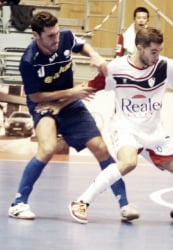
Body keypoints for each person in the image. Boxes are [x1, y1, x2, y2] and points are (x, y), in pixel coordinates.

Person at [69, 27, 173, 224]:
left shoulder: (165, 67)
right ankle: (81, 202)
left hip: (154, 132)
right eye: (154, 51)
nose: (157, 56)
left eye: (160, 51)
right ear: (140, 48)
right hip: (125, 127)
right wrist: (60, 100)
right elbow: (89, 87)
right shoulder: (116, 68)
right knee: (128, 162)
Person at [8, 11, 133, 221]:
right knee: (47, 148)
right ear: (35, 35)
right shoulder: (29, 61)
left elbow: (81, 45)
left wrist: (94, 55)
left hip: (71, 104)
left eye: (56, 34)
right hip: (44, 104)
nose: (56, 39)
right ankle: (19, 203)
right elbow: (36, 96)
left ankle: (125, 204)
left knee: (101, 148)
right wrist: (72, 93)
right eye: (50, 36)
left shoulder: (64, 37)